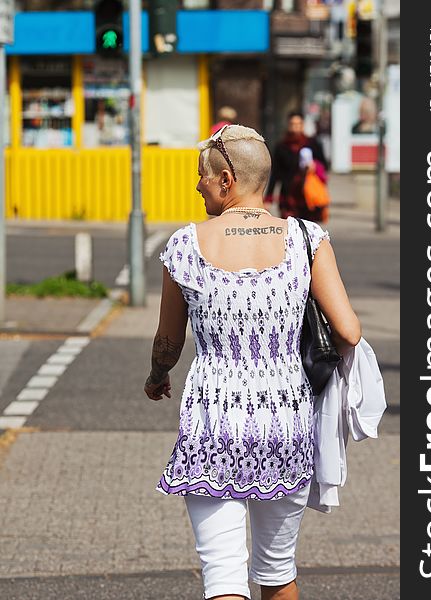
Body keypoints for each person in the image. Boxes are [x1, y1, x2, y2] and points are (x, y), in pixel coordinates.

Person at [144, 124, 361, 600]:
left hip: (213, 419)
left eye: (202, 177)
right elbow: (348, 331)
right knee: (278, 570)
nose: (197, 185)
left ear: (226, 180)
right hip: (286, 419)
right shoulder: (306, 238)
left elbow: (168, 341)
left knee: (223, 574)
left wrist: (157, 375)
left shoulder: (185, 245)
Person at [264, 111, 329, 223]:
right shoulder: (281, 146)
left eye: (298, 124)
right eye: (293, 124)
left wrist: (314, 166)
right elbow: (276, 173)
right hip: (288, 195)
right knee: (290, 229)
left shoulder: (312, 144)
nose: (295, 128)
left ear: (303, 125)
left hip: (307, 194)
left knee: (308, 229)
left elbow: (324, 166)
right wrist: (269, 197)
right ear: (288, 125)